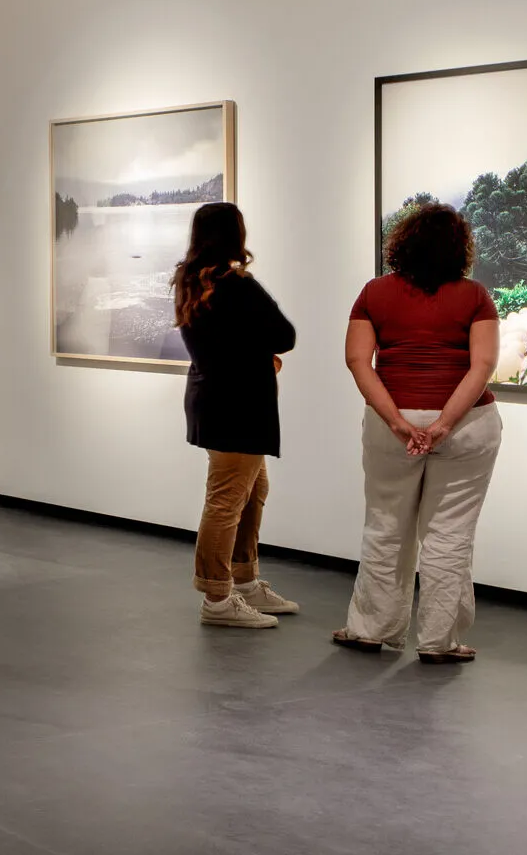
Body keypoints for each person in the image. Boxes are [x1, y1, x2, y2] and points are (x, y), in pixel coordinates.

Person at [333, 202, 503, 664]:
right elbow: (483, 365)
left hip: (393, 423)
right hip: (467, 427)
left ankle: (370, 629)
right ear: (459, 249)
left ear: (402, 243)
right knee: (449, 534)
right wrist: (444, 423)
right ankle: (439, 641)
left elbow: (357, 361)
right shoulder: (475, 297)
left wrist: (398, 422)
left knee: (385, 525)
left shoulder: (374, 293)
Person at [173, 202, 298, 628]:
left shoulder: (189, 282)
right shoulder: (236, 285)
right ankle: (217, 597)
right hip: (239, 404)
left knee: (253, 488)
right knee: (227, 499)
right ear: (235, 235)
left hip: (214, 398)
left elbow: (224, 341)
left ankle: (243, 580)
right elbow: (286, 335)